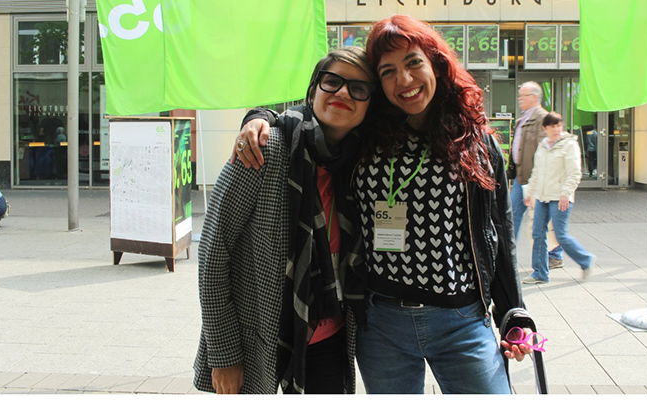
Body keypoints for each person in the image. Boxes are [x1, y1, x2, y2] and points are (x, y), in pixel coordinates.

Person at [235, 15, 534, 395]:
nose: (404, 81)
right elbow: (314, 114)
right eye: (388, 71)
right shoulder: (366, 136)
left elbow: (500, 235)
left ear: (436, 65)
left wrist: (513, 312)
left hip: (462, 321)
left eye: (413, 63)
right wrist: (260, 117)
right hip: (381, 324)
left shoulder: (474, 143)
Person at [194, 47, 377, 394]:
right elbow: (213, 255)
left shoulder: (362, 167)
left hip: (329, 336)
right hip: (254, 339)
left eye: (358, 88)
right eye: (332, 82)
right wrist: (223, 355)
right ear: (312, 92)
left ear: (370, 106)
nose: (342, 93)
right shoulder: (265, 148)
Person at [522, 112, 596, 284]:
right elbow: (537, 172)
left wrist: (566, 193)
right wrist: (530, 193)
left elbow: (574, 173)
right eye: (552, 126)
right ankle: (540, 273)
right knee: (538, 234)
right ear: (544, 128)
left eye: (559, 126)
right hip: (542, 197)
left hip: (560, 197)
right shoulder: (542, 146)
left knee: (560, 235)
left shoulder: (569, 145)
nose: (556, 130)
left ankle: (585, 260)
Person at [509, 81, 564, 270]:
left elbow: (549, 150)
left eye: (522, 96)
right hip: (521, 176)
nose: (519, 100)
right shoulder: (522, 119)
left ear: (533, 97)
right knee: (513, 214)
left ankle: (554, 255)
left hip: (535, 179)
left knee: (539, 220)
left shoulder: (543, 119)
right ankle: (508, 253)